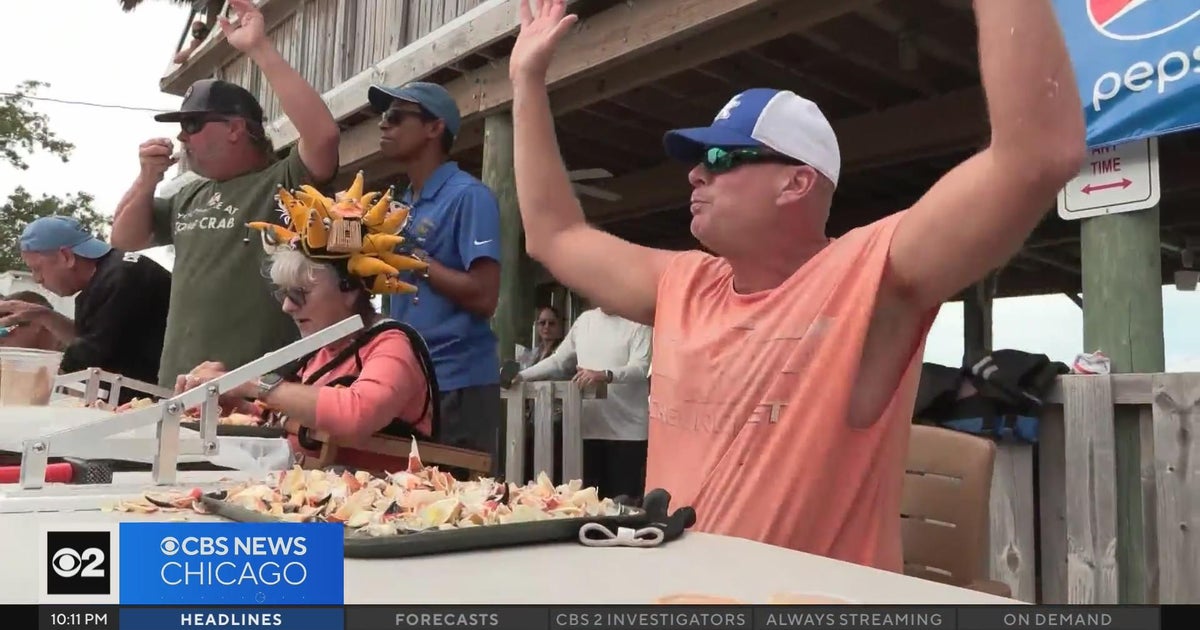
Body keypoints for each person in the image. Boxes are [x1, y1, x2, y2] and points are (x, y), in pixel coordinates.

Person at [506, 0, 1086, 572]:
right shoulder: (681, 283)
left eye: (718, 156)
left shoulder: (868, 279)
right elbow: (554, 236)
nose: (694, 172)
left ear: (796, 183)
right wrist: (527, 81)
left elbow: (1035, 156)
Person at [110, 0, 341, 389]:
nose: (183, 136)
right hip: (177, 388)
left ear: (236, 129)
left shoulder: (283, 181)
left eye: (194, 124)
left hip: (253, 392)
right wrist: (147, 177)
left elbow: (323, 136)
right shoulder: (190, 194)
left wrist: (259, 48)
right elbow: (123, 239)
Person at [179, 183, 437, 474]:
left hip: (366, 508)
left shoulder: (391, 344)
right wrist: (231, 402)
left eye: (299, 293)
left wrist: (253, 384)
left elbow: (356, 414)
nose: (287, 307)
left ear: (349, 288)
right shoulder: (323, 351)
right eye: (284, 294)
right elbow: (283, 420)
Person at [366, 80, 503, 467]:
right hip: (407, 380)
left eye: (395, 116)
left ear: (434, 127)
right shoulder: (399, 204)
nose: (383, 125)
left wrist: (411, 255)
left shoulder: (468, 196)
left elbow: (485, 296)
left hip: (457, 382)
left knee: (456, 505)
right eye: (382, 117)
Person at [0, 217, 172, 403]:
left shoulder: (121, 279)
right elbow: (89, 338)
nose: (37, 279)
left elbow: (90, 357)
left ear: (66, 256)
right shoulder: (110, 274)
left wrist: (28, 368)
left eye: (37, 268)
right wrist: (43, 315)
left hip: (162, 404)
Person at [512, 307, 652, 500]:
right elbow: (558, 360)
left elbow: (641, 368)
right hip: (587, 431)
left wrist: (604, 374)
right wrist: (521, 376)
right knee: (588, 506)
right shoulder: (585, 320)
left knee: (624, 507)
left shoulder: (638, 321)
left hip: (627, 434)